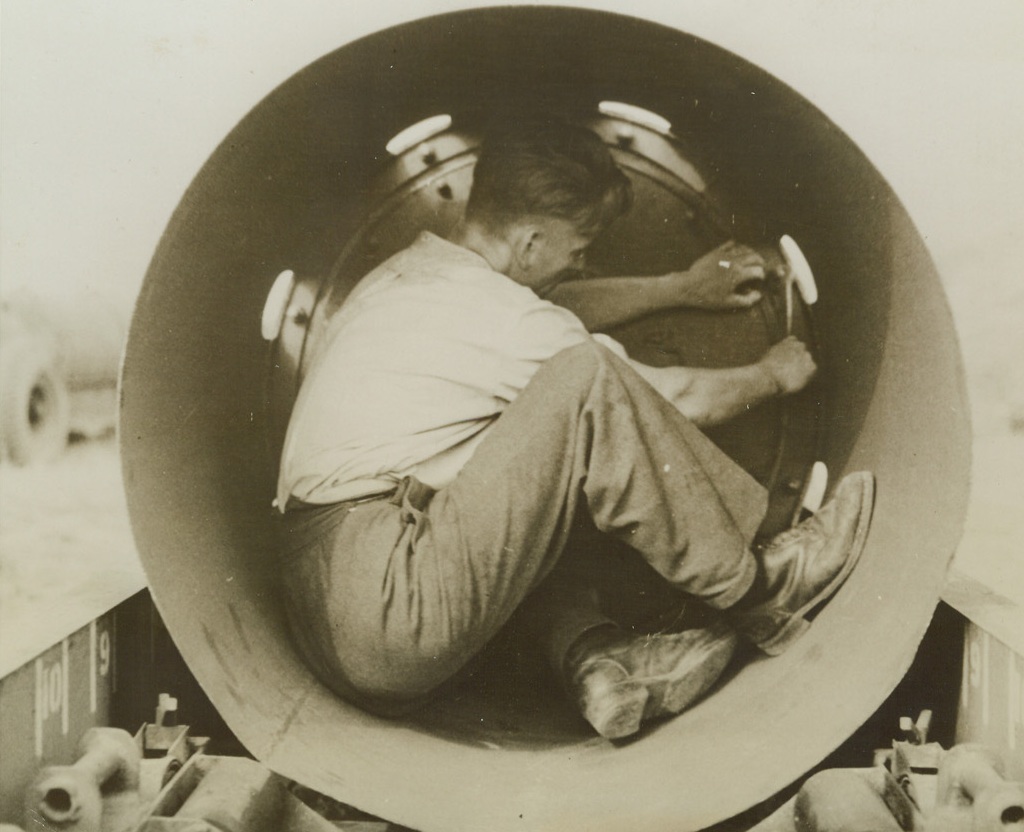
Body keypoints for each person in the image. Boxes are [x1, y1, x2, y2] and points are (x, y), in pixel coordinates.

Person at [275, 116, 874, 740]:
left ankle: (598, 660)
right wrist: (770, 375)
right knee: (587, 381)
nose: (583, 261)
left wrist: (679, 288)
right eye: (579, 248)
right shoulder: (505, 322)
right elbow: (668, 398)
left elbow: (550, 308)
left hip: (329, 613)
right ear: (532, 242)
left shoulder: (411, 278)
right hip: (392, 598)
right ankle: (761, 588)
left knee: (522, 472)